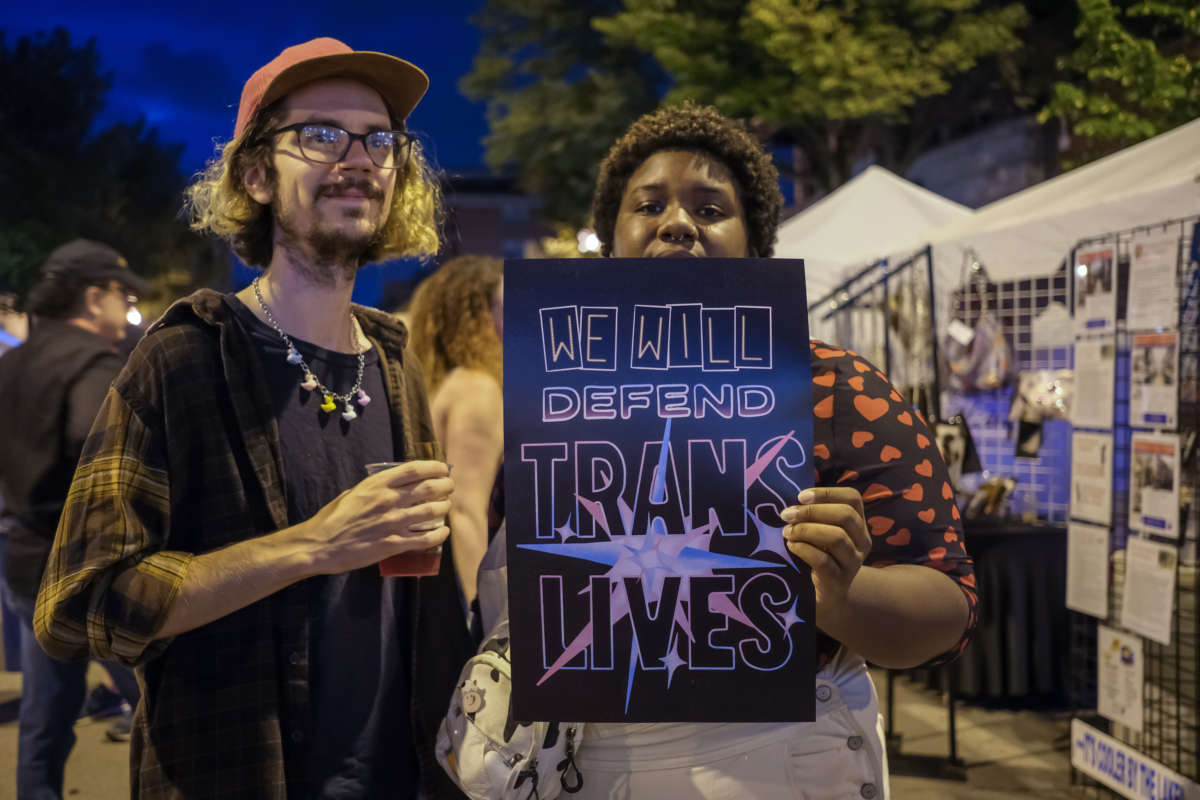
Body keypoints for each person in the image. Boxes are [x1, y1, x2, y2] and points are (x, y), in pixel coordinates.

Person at [476, 104, 978, 799]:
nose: (677, 222)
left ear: (755, 242)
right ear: (612, 239)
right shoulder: (555, 399)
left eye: (711, 208)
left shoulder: (837, 389)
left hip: (776, 759)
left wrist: (843, 596)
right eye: (648, 205)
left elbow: (948, 605)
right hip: (586, 760)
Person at [35, 38, 473, 799]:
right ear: (257, 173)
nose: (359, 158)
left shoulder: (397, 364)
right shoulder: (184, 360)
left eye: (380, 140)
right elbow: (81, 606)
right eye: (321, 135)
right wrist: (313, 545)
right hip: (237, 773)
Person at [0, 240, 147, 798]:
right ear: (94, 297)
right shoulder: (92, 364)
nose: (127, 308)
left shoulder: (13, 360)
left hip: (23, 556)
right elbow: (103, 451)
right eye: (124, 295)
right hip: (88, 565)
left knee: (46, 711)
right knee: (164, 700)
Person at [406, 255, 504, 609]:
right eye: (504, 308)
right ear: (476, 319)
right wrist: (480, 615)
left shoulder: (441, 385)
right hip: (462, 581)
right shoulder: (477, 388)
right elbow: (465, 509)